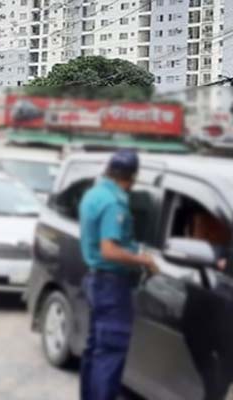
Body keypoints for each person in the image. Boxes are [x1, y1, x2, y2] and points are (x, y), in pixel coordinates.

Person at [78, 149, 159, 400]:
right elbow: (110, 250)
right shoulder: (114, 203)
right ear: (132, 176)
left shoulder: (93, 194)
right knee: (110, 353)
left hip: (96, 280)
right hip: (111, 285)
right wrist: (142, 260)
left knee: (96, 350)